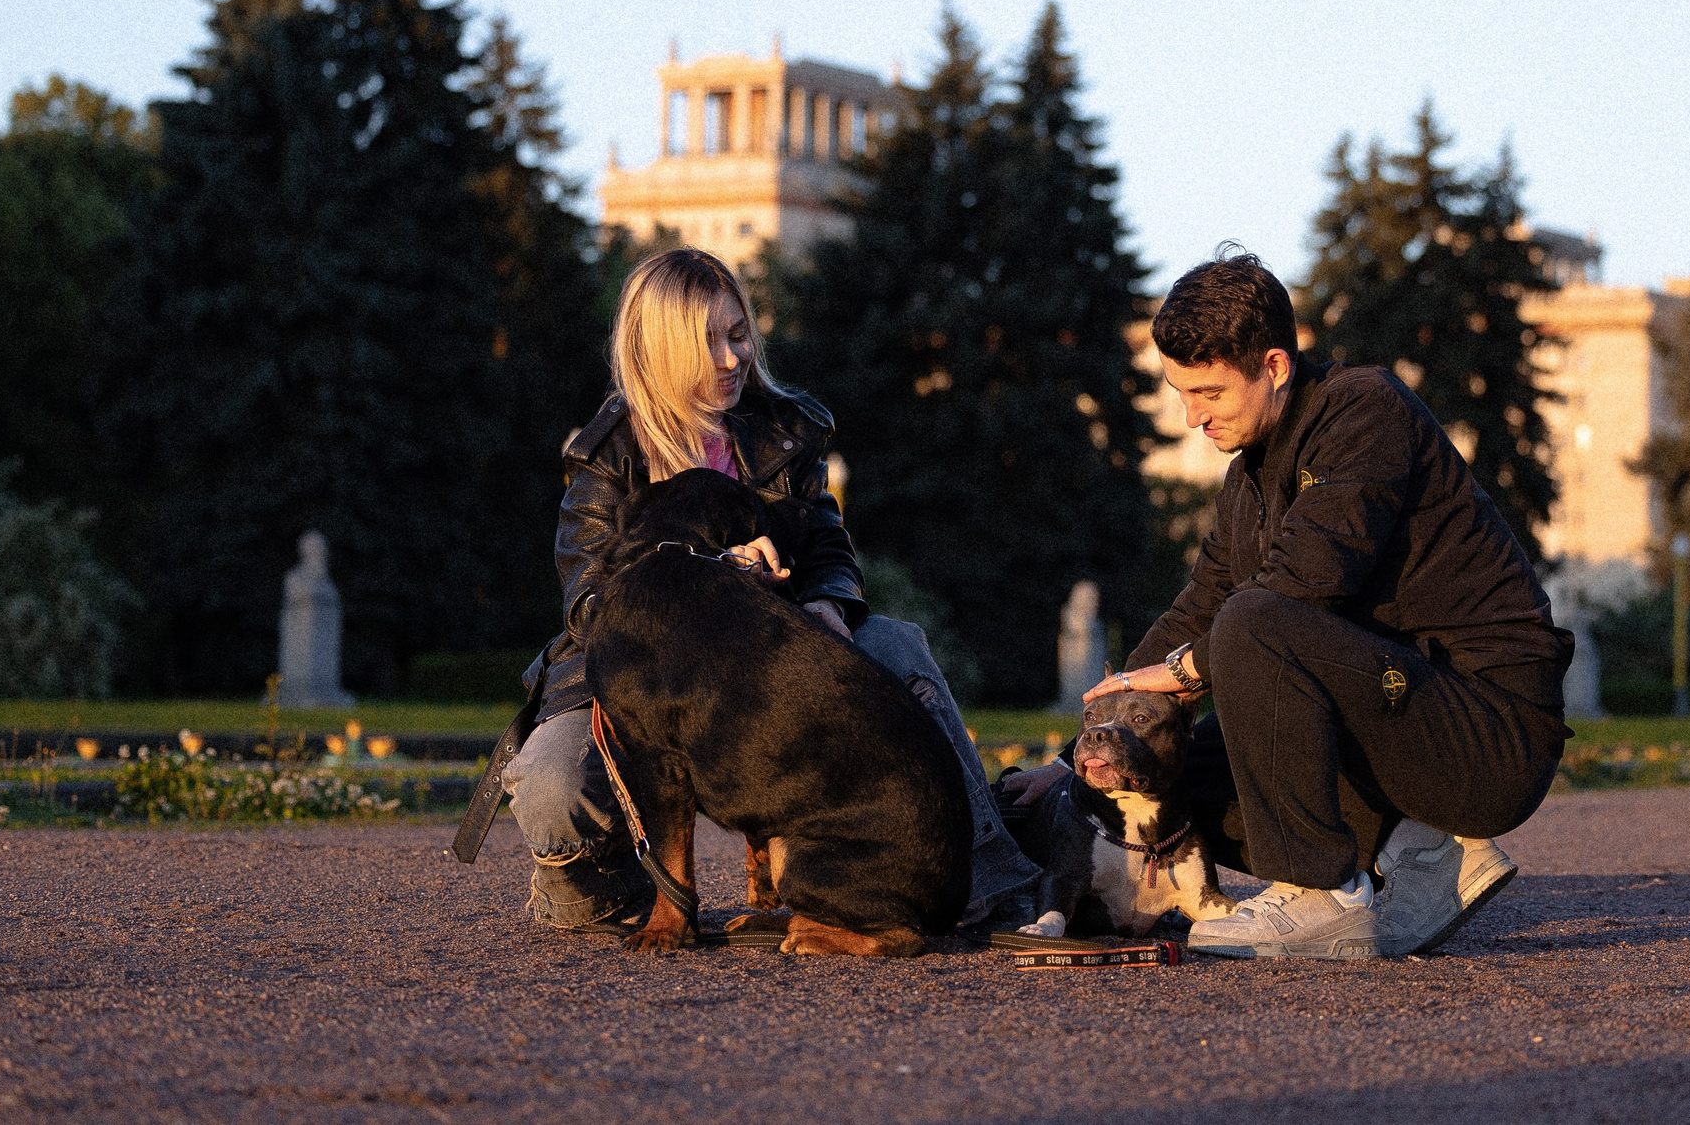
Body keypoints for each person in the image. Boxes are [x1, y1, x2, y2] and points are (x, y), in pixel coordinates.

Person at [1007, 249, 1573, 959]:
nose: (1191, 417)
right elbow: (1197, 609)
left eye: (1210, 393)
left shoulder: (1366, 410)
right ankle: (1423, 856)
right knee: (1176, 770)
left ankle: (1321, 896)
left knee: (1253, 621)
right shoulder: (1248, 479)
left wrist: (1185, 675)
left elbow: (1303, 585)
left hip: (1486, 731)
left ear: (1273, 366)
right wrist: (1080, 760)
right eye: (1181, 393)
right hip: (1395, 714)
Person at [502, 247, 1040, 934]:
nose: (733, 358)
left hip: (770, 653)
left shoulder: (788, 428)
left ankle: (994, 881)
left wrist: (828, 601)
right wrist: (718, 572)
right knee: (551, 786)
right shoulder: (605, 452)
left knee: (895, 644)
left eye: (739, 333)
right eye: (708, 342)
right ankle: (603, 888)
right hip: (640, 666)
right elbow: (590, 602)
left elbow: (826, 544)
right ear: (660, 349)